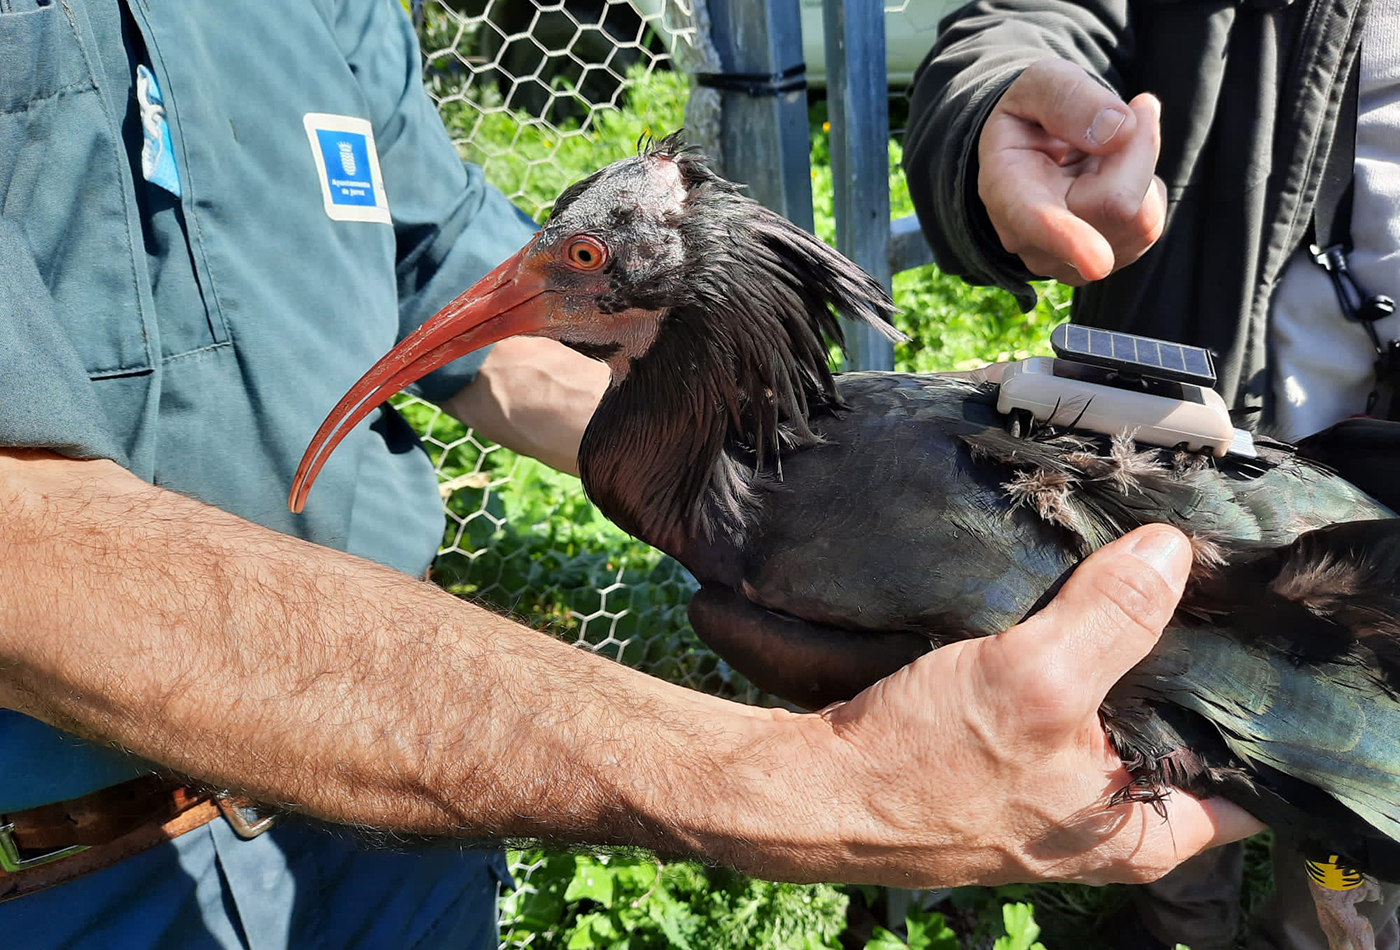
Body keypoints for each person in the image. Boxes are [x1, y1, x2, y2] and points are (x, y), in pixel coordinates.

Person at [0, 1, 1258, 946]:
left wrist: (791, 479)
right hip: (77, 871)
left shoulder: (321, 10)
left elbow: (455, 296)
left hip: (401, 830)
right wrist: (803, 781)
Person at [902, 1, 1400, 947]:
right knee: (1155, 743)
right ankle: (1182, 924)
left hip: (1366, 544)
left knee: (1353, 828)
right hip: (1186, 455)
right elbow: (1029, 23)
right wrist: (995, 109)